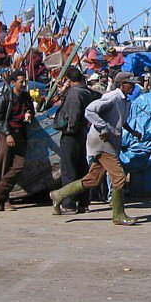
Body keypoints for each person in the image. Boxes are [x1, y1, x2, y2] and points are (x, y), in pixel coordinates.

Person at [49, 71, 143, 225]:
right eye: (130, 83)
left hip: (112, 141)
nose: (133, 86)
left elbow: (119, 119)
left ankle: (59, 194)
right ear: (121, 84)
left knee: (93, 179)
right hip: (102, 141)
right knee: (118, 177)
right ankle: (118, 215)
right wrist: (103, 127)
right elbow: (90, 111)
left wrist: (133, 132)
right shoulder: (112, 97)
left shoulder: (125, 101)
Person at [0, 70, 35, 211]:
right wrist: (7, 134)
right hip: (5, 134)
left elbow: (31, 112)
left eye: (25, 81)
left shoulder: (26, 97)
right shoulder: (5, 98)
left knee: (19, 165)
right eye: (21, 82)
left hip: (20, 134)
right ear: (13, 83)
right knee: (3, 167)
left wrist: (29, 114)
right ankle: (3, 200)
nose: (24, 84)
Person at [56, 66, 95, 213]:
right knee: (81, 169)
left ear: (69, 80)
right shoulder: (87, 92)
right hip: (83, 134)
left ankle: (69, 203)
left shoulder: (74, 93)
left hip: (72, 136)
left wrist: (69, 129)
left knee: (69, 171)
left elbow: (73, 115)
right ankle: (84, 202)